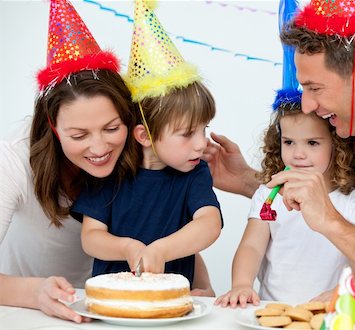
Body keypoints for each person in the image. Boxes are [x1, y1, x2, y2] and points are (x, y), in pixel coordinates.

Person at [204, 0, 355, 314]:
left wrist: (333, 222)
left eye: (315, 88)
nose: (306, 106)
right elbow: (320, 186)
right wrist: (246, 180)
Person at [0, 0, 212, 323]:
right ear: (53, 127)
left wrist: (202, 283)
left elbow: (167, 221)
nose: (99, 147)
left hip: (110, 312)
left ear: (135, 126)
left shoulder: (145, 156)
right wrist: (33, 293)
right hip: (27, 313)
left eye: (112, 128)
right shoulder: (11, 159)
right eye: (79, 135)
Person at [72, 0, 222, 287]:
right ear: (144, 136)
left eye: (204, 129)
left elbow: (209, 224)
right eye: (187, 133)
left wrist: (161, 250)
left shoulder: (194, 173)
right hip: (112, 298)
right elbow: (91, 238)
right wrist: (128, 248)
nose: (201, 143)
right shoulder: (110, 171)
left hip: (171, 300)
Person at [215, 102, 355, 307]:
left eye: (312, 143)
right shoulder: (268, 196)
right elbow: (252, 246)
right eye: (289, 142)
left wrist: (342, 293)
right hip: (271, 310)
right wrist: (241, 284)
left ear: (338, 145)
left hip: (328, 313)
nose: (298, 153)